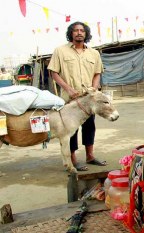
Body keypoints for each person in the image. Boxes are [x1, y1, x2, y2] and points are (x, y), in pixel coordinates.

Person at [48, 21, 106, 171]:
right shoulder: (60, 51)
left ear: (86, 34)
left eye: (82, 30)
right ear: (71, 33)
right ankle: (73, 159)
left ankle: (90, 156)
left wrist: (94, 88)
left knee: (89, 126)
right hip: (69, 99)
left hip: (88, 98)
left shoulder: (94, 53)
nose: (79, 33)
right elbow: (54, 73)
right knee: (70, 129)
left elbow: (97, 73)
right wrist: (68, 88)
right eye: (76, 30)